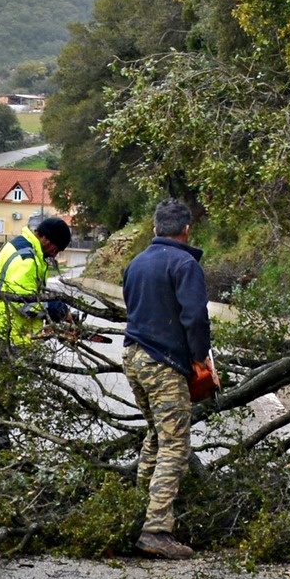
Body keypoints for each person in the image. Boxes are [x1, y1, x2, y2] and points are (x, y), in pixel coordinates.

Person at [119, 198, 211, 560]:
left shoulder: (136, 263)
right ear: (187, 230)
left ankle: (135, 505)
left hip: (132, 357)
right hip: (162, 362)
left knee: (157, 433)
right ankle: (156, 529)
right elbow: (195, 317)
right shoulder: (185, 263)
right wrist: (200, 358)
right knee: (175, 443)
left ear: (155, 228)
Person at [0, 216, 73, 453]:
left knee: (3, 392)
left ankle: (0, 444)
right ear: (44, 238)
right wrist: (55, 310)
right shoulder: (27, 258)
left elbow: (26, 293)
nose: (55, 253)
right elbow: (23, 303)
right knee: (3, 393)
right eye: (56, 247)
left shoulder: (23, 246)